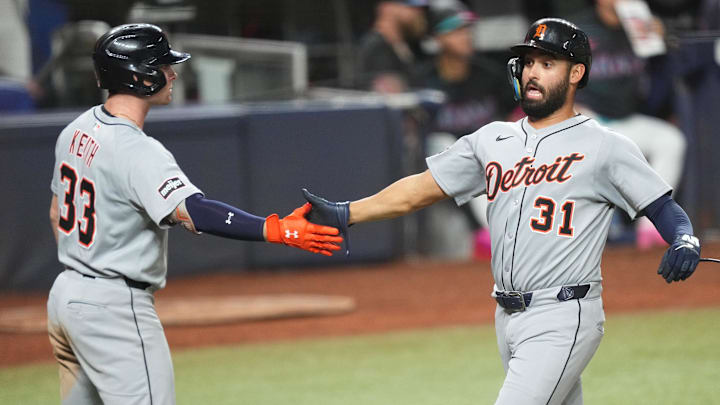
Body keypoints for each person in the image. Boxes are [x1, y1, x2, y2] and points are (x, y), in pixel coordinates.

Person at [304, 18, 701, 405]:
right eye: (528, 62)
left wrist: (683, 238)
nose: (533, 72)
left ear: (576, 73)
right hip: (507, 318)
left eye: (547, 64)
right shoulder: (492, 139)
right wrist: (347, 213)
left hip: (562, 316)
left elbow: (663, 207)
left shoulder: (604, 146)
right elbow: (418, 190)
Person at [46, 23, 342, 405]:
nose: (173, 73)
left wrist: (85, 271)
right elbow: (196, 212)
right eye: (164, 66)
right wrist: (274, 229)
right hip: (113, 310)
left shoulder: (76, 130)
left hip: (65, 297)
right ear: (141, 76)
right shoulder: (137, 150)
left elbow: (57, 214)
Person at [568, 0, 688, 249]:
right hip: (585, 119)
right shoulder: (578, 30)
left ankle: (651, 227)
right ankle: (597, 227)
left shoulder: (639, 26)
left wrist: (663, 42)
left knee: (671, 140)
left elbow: (661, 83)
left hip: (624, 119)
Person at [417, 2, 516, 259]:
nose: (465, 36)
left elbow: (516, 115)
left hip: (492, 168)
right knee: (441, 143)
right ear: (438, 38)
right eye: (456, 30)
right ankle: (484, 232)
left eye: (467, 29)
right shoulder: (422, 81)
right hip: (444, 172)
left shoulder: (491, 75)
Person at [356, 0, 429, 93]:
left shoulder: (405, 44)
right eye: (412, 8)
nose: (419, 13)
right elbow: (390, 100)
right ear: (387, 8)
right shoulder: (377, 47)